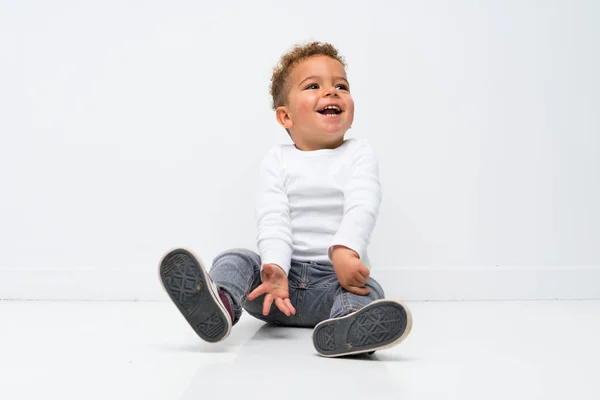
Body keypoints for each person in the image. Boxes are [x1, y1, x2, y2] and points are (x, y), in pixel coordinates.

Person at [159, 41, 412, 358]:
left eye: (341, 86)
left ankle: (346, 327)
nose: (332, 92)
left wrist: (347, 252)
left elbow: (363, 203)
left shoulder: (358, 153)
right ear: (285, 116)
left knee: (367, 290)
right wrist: (274, 267)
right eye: (313, 86)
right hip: (275, 292)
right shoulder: (276, 160)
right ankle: (221, 302)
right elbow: (273, 216)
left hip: (333, 284)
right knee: (236, 258)